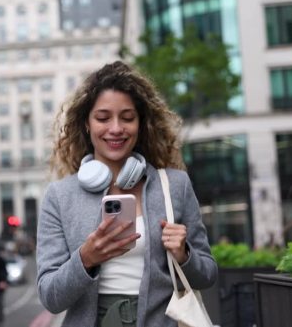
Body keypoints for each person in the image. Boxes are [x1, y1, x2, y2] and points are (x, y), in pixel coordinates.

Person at [36, 61, 217, 326]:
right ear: (86, 123)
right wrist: (85, 259)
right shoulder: (60, 196)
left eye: (128, 117)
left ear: (141, 124)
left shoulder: (175, 185)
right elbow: (50, 297)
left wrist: (184, 254)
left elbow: (208, 274)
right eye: (103, 117)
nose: (116, 128)